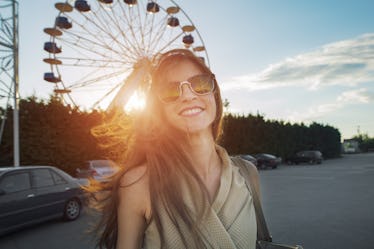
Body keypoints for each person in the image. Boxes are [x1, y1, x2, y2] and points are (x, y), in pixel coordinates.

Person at [89, 49, 260, 249]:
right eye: (170, 91)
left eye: (200, 84)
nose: (188, 95)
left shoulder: (248, 174)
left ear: (215, 93)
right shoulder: (139, 184)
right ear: (158, 109)